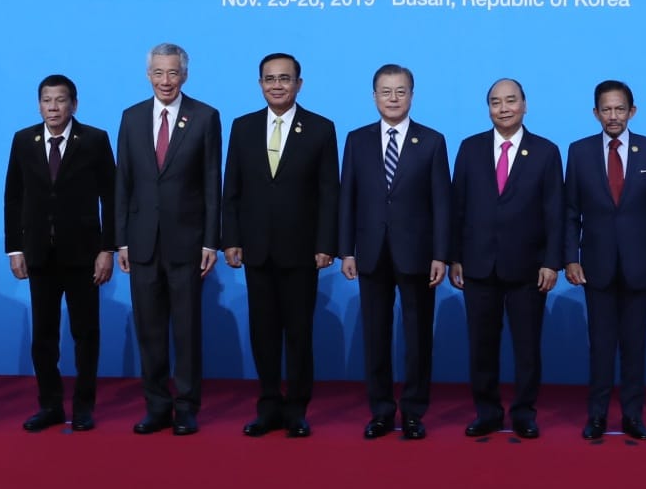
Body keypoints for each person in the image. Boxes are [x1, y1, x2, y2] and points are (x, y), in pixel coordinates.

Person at [222, 53, 338, 438]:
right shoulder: (243, 127)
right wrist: (231, 240)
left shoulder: (321, 129)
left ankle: (297, 409)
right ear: (260, 84)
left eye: (284, 78)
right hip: (256, 248)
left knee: (299, 333)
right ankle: (268, 405)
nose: (277, 85)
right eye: (269, 79)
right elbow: (232, 189)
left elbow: (328, 193)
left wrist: (326, 244)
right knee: (264, 332)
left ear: (299, 84)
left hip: (302, 250)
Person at [338, 64, 450, 440]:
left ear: (412, 96)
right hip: (370, 251)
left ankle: (414, 412)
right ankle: (382, 411)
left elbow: (442, 203)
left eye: (400, 91)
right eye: (385, 91)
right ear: (374, 96)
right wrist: (346, 251)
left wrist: (441, 254)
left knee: (418, 336)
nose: (393, 98)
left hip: (417, 254)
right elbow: (347, 198)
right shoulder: (356, 140)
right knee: (376, 336)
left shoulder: (432, 141)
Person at [115, 43, 221, 435]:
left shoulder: (205, 117)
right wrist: (121, 240)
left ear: (185, 75)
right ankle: (156, 406)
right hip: (142, 243)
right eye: (158, 73)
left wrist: (211, 241)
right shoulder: (131, 117)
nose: (165, 81)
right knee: (150, 329)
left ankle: (187, 407)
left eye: (173, 73)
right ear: (148, 75)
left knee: (186, 330)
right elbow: (122, 181)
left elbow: (213, 183)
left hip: (187, 243)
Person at [451, 78, 563, 439]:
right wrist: (455, 258)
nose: (503, 108)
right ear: (489, 109)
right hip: (478, 264)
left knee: (527, 347)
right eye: (496, 102)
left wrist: (551, 261)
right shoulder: (470, 149)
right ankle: (487, 411)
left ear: (525, 105)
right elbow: (458, 208)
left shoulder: (546, 151)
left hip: (528, 267)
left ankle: (524, 412)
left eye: (510, 100)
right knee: (482, 346)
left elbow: (555, 213)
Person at [4, 74, 116, 433]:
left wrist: (107, 249)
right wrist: (15, 248)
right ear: (39, 105)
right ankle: (50, 405)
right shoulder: (24, 140)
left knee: (86, 334)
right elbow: (13, 197)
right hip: (39, 254)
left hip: (84, 255)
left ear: (74, 104)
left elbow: (111, 198)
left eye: (60, 100)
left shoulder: (95, 140)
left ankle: (83, 407)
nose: (53, 107)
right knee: (44, 336)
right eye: (46, 100)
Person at [563, 80, 646, 441]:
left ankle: (632, 416)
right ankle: (596, 416)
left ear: (632, 111)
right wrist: (570, 258)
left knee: (635, 346)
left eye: (619, 109)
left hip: (641, 264)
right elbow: (570, 212)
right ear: (595, 113)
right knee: (601, 346)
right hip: (596, 265)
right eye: (606, 109)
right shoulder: (578, 153)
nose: (613, 116)